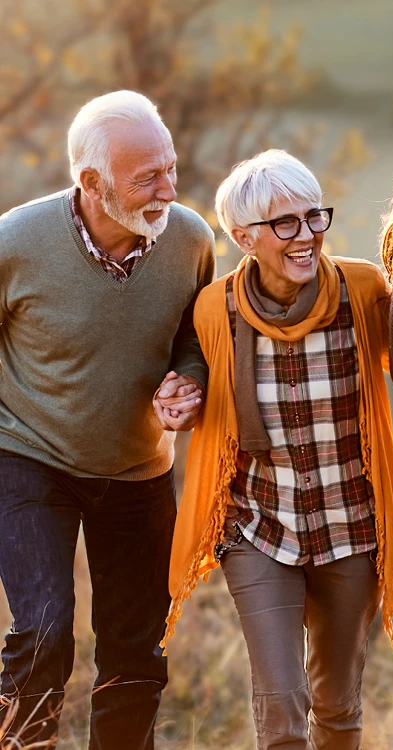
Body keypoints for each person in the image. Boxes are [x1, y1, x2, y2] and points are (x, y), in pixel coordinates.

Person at [162, 150, 393, 750]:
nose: (307, 236)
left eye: (314, 217)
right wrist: (185, 394)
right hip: (258, 526)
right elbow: (199, 367)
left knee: (336, 705)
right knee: (281, 709)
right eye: (286, 224)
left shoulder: (362, 290)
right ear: (244, 237)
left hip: (351, 525)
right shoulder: (213, 308)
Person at [0, 90, 215, 748]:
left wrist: (189, 382)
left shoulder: (189, 239)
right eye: (147, 176)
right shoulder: (16, 242)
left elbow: (195, 337)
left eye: (171, 168)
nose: (167, 188)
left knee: (137, 652)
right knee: (44, 628)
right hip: (30, 455)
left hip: (138, 467)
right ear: (91, 182)